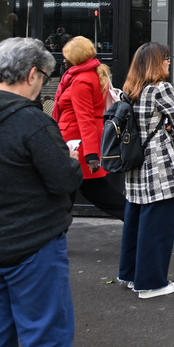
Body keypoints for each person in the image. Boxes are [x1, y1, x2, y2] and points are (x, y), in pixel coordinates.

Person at [0, 38, 83, 347]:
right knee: (45, 338)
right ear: (31, 75)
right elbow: (63, 181)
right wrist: (70, 160)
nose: (43, 85)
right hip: (33, 247)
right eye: (44, 77)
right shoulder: (33, 122)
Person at [117, 42, 174, 299]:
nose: (169, 62)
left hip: (134, 166)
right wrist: (169, 127)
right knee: (158, 226)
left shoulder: (129, 90)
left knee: (135, 221)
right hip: (158, 167)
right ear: (155, 63)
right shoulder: (161, 89)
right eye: (165, 58)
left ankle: (130, 274)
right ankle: (151, 283)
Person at [52, 36, 126, 219]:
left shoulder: (80, 81)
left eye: (67, 56)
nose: (64, 60)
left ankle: (53, 234)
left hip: (76, 144)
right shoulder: (91, 75)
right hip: (79, 143)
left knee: (88, 191)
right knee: (86, 191)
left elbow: (85, 119)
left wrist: (91, 154)